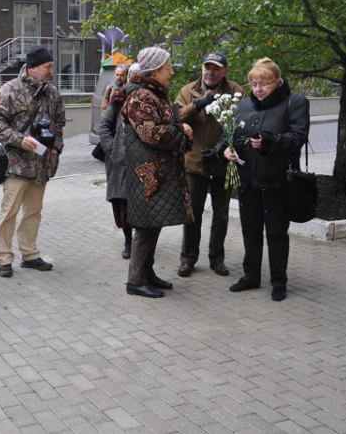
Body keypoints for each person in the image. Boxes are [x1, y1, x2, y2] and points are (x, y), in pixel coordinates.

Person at [221, 58, 309, 302]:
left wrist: (270, 141)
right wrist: (225, 149)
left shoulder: (295, 102)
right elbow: (230, 135)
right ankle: (251, 276)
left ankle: (278, 281)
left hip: (277, 179)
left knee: (276, 232)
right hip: (248, 178)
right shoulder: (245, 105)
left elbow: (298, 137)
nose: (258, 89)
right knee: (250, 229)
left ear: (277, 81)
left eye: (264, 84)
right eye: (254, 84)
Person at [0, 45, 66, 277]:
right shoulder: (10, 90)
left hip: (42, 165)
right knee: (9, 213)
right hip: (16, 165)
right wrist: (19, 139)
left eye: (52, 66)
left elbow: (59, 123)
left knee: (34, 212)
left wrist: (55, 151)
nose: (52, 71)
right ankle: (3, 258)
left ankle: (29, 254)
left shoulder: (52, 92)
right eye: (48, 67)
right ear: (32, 69)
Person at [122, 47, 194, 298]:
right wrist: (181, 131)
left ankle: (147, 274)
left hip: (156, 170)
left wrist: (176, 127)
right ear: (153, 71)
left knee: (153, 223)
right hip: (147, 173)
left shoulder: (153, 93)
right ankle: (135, 281)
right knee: (145, 226)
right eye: (168, 68)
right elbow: (150, 133)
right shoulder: (140, 96)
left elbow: (161, 125)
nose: (172, 72)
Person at [176, 52, 245, 278]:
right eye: (208, 67)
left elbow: (236, 126)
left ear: (224, 71)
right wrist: (197, 104)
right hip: (194, 162)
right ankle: (188, 259)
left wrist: (218, 149)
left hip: (222, 161)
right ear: (202, 68)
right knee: (192, 214)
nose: (210, 72)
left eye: (216, 68)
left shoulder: (236, 91)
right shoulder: (188, 91)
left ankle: (217, 259)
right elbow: (176, 119)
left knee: (221, 215)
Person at [98, 63, 138, 259]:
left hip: (140, 163)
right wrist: (111, 150)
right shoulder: (118, 98)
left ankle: (140, 242)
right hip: (119, 163)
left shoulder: (150, 100)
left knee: (138, 205)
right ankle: (128, 241)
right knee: (122, 206)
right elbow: (104, 126)